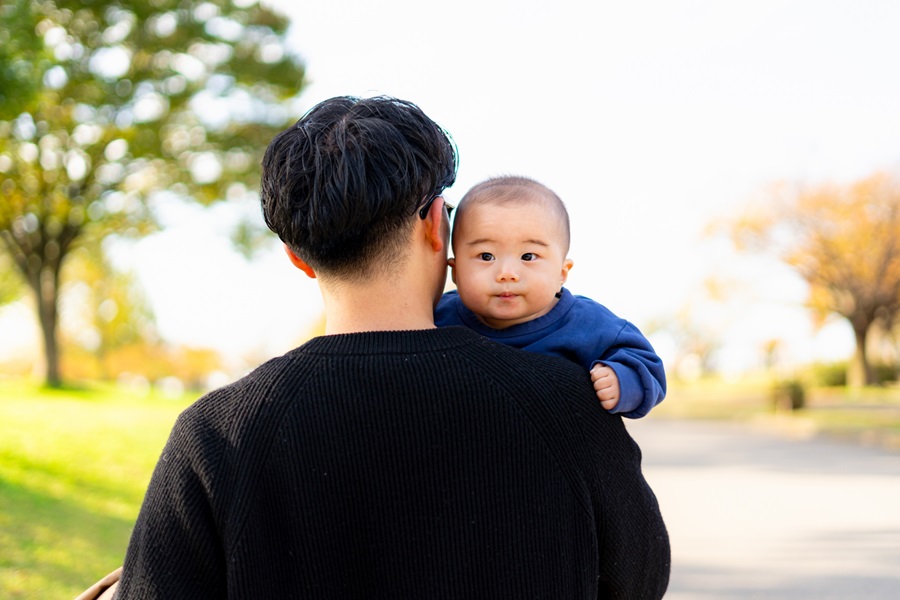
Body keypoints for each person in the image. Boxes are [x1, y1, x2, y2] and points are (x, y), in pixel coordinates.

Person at [106, 96, 670, 598]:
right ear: (435, 226)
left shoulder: (214, 434)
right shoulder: (569, 402)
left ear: (297, 257)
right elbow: (641, 579)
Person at [435, 175, 666, 419]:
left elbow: (648, 366)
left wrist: (622, 381)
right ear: (455, 270)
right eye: (486, 256)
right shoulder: (437, 316)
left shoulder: (588, 323)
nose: (506, 274)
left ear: (561, 273)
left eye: (528, 256)